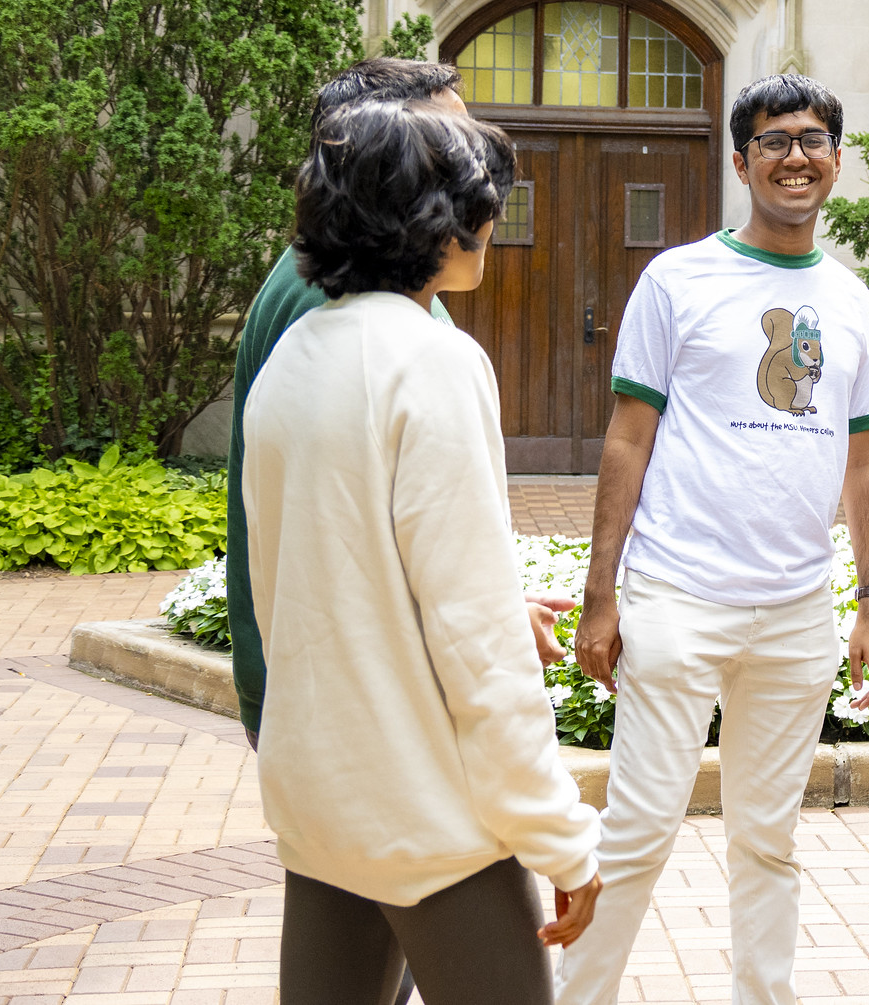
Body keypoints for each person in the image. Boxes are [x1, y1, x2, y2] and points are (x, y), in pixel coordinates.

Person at [244, 100, 602, 1005]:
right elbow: (479, 641)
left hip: (322, 800)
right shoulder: (432, 360)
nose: (488, 216)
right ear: (427, 221)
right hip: (431, 816)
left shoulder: (294, 357)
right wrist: (562, 838)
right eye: (472, 196)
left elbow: (288, 593)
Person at [557, 73, 869, 1005]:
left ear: (835, 159)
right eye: (776, 139)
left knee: (769, 838)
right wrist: (602, 590)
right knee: (638, 830)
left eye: (815, 138)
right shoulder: (678, 278)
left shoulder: (852, 300)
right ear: (741, 161)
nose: (797, 154)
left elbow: (865, 462)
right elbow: (629, 436)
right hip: (677, 596)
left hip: (796, 612)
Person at [226, 58, 573, 744]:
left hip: (330, 698)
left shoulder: (346, 295)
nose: (472, 161)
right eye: (450, 139)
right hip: (363, 715)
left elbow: (375, 531)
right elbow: (340, 538)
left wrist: (491, 607)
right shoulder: (353, 311)